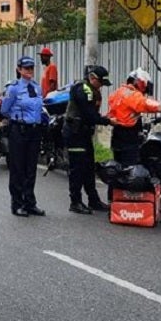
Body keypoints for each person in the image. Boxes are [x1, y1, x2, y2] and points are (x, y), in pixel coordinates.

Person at [106, 69, 161, 198]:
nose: (145, 90)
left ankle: (114, 198)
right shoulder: (132, 95)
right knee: (131, 170)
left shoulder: (117, 93)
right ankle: (130, 200)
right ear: (140, 82)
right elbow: (147, 104)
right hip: (129, 137)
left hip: (117, 135)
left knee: (118, 168)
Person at [1, 56, 48, 217]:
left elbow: (39, 108)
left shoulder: (37, 87)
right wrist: (17, 118)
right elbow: (4, 109)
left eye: (31, 68)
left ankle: (30, 202)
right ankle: (17, 203)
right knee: (18, 168)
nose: (29, 71)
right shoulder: (13, 88)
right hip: (19, 130)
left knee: (31, 168)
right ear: (19, 70)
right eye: (26, 68)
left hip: (34, 131)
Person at [64, 65, 113, 214]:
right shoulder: (83, 89)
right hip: (74, 133)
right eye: (100, 83)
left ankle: (93, 200)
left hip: (84, 133)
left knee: (89, 168)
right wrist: (108, 121)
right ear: (92, 78)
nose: (102, 87)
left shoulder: (94, 90)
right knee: (77, 169)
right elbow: (89, 115)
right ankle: (75, 202)